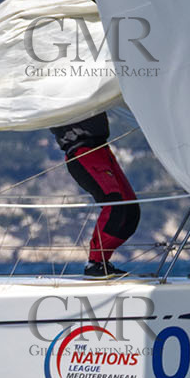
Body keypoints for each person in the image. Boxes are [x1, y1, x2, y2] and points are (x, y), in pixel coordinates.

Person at [50, 112, 140, 277]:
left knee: (131, 211)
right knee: (115, 204)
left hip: (102, 149)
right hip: (82, 152)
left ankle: (102, 262)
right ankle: (95, 263)